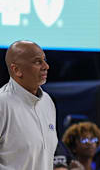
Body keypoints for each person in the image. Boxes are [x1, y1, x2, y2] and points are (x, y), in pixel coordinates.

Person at [0, 40, 57, 170]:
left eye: (44, 60)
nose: (46, 66)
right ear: (17, 70)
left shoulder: (47, 102)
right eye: (38, 62)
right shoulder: (2, 104)